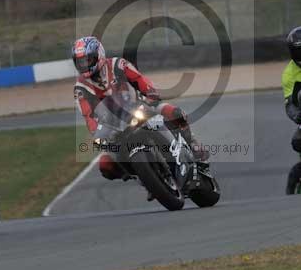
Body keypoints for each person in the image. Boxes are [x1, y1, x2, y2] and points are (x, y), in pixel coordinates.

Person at [71, 36, 207, 181]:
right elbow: (88, 116)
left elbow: (138, 79)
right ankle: (143, 177)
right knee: (105, 164)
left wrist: (150, 93)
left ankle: (192, 144)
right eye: (80, 62)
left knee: (174, 112)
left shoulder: (118, 64)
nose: (84, 65)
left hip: (140, 107)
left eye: (87, 60)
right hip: (113, 127)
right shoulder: (80, 88)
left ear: (99, 55)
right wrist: (96, 136)